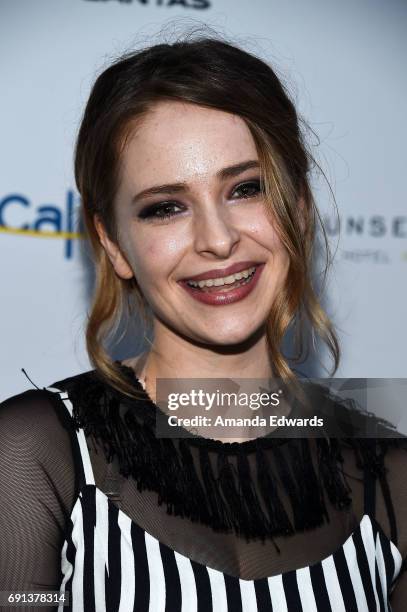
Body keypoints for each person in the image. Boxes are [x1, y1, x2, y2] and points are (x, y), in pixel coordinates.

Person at [1, 31, 406, 612]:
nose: (218, 240)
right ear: (112, 243)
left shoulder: (391, 475)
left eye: (247, 189)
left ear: (300, 208)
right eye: (165, 207)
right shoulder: (34, 454)